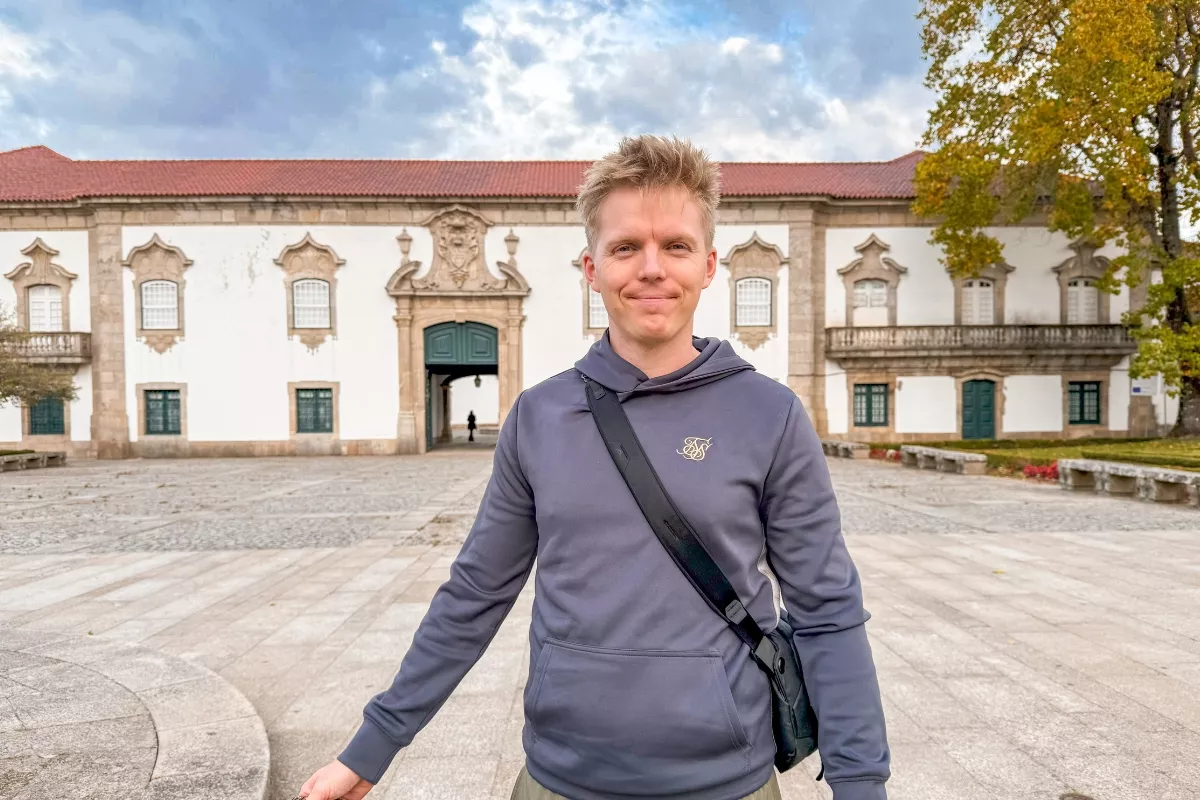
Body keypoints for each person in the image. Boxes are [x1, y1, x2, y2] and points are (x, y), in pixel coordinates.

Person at [298, 135, 890, 800]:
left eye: (675, 246)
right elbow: (474, 595)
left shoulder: (769, 415)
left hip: (726, 782)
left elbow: (827, 609)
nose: (652, 268)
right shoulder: (538, 417)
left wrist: (861, 784)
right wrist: (373, 746)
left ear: (708, 266)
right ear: (592, 267)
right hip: (562, 779)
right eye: (626, 247)